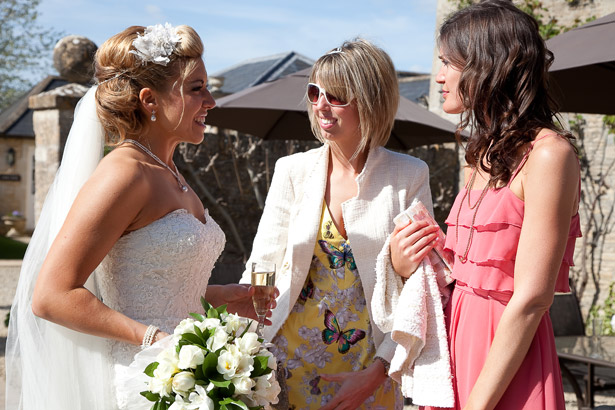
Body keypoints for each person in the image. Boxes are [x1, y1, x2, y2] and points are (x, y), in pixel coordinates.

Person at [5, 23, 272, 410]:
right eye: (197, 89)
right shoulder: (125, 173)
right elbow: (51, 296)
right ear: (150, 100)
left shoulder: (173, 175)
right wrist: (155, 340)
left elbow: (155, 292)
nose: (212, 101)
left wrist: (225, 299)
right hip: (148, 383)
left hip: (187, 380)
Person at [391, 1, 581, 409]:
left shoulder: (549, 155)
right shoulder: (484, 155)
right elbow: (469, 275)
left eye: (447, 63)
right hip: (455, 350)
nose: (438, 77)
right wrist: (408, 261)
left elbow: (531, 299)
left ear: (488, 66)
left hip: (507, 362)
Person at [241, 39, 433, 409]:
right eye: (315, 92)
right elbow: (261, 262)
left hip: (371, 366)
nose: (321, 106)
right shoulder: (292, 171)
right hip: (286, 362)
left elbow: (419, 290)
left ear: (372, 100)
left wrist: (381, 368)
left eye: (337, 96)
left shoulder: (408, 175)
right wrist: (252, 327)